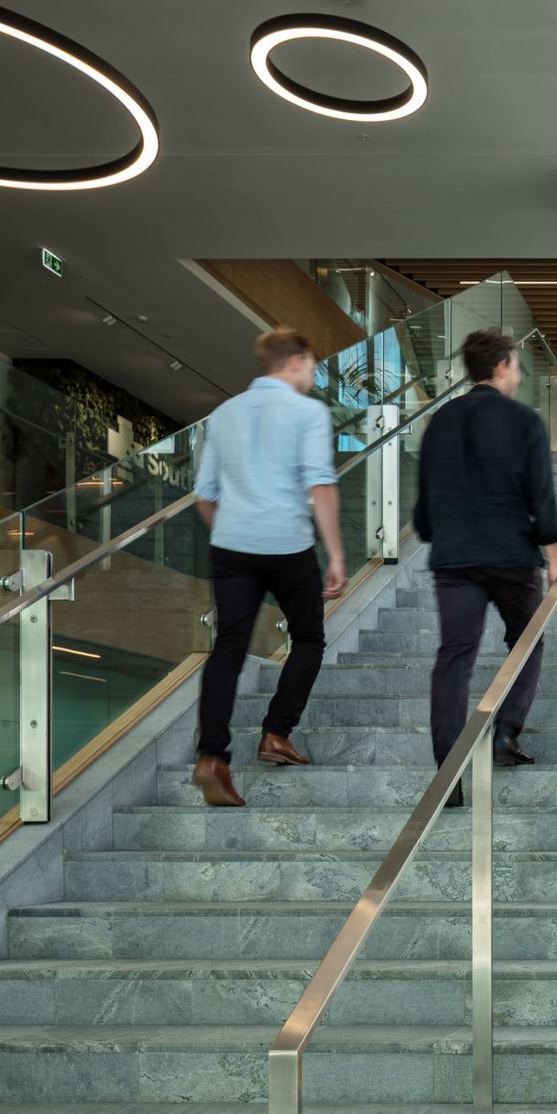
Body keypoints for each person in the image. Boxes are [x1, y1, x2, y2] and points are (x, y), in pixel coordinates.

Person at [190, 328, 347, 808]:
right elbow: (320, 486)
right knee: (309, 637)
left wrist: (232, 532)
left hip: (232, 545)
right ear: (297, 360)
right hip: (287, 543)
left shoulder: (224, 413)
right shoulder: (308, 413)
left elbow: (204, 496)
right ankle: (277, 733)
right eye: (314, 364)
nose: (314, 373)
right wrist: (336, 554)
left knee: (229, 648)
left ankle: (212, 756)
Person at [415, 329, 557, 808]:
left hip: (454, 559)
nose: (519, 374)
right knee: (527, 640)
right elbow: (539, 493)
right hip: (511, 556)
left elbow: (422, 510)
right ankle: (505, 733)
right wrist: (554, 553)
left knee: (454, 658)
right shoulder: (523, 420)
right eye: (517, 365)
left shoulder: (439, 421)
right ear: (500, 365)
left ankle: (448, 777)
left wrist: (444, 534)